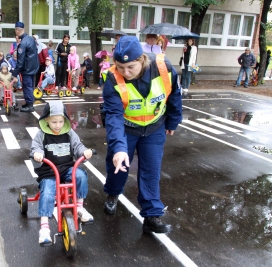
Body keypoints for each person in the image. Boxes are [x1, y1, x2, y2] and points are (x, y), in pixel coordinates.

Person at [101, 35, 182, 234]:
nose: (125, 72)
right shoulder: (112, 79)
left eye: (130, 67)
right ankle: (112, 194)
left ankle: (152, 215)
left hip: (154, 127)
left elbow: (174, 94)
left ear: (142, 60)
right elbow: (113, 115)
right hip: (127, 128)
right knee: (119, 165)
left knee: (151, 170)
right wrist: (119, 148)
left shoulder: (164, 68)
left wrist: (172, 120)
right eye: (120, 67)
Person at [31, 100, 93, 246]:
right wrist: (38, 154)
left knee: (80, 175)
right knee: (47, 192)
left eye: (60, 121)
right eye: (54, 122)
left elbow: (78, 146)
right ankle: (45, 228)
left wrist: (84, 152)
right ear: (46, 120)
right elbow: (36, 148)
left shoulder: (69, 133)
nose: (58, 125)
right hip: (49, 171)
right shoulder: (41, 135)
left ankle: (79, 207)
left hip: (65, 168)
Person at [11, 21, 39, 113]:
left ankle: (30, 105)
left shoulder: (22, 43)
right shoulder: (30, 39)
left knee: (27, 86)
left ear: (17, 31)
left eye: (16, 31)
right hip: (33, 67)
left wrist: (15, 73)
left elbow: (20, 61)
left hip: (27, 68)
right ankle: (28, 103)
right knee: (30, 85)